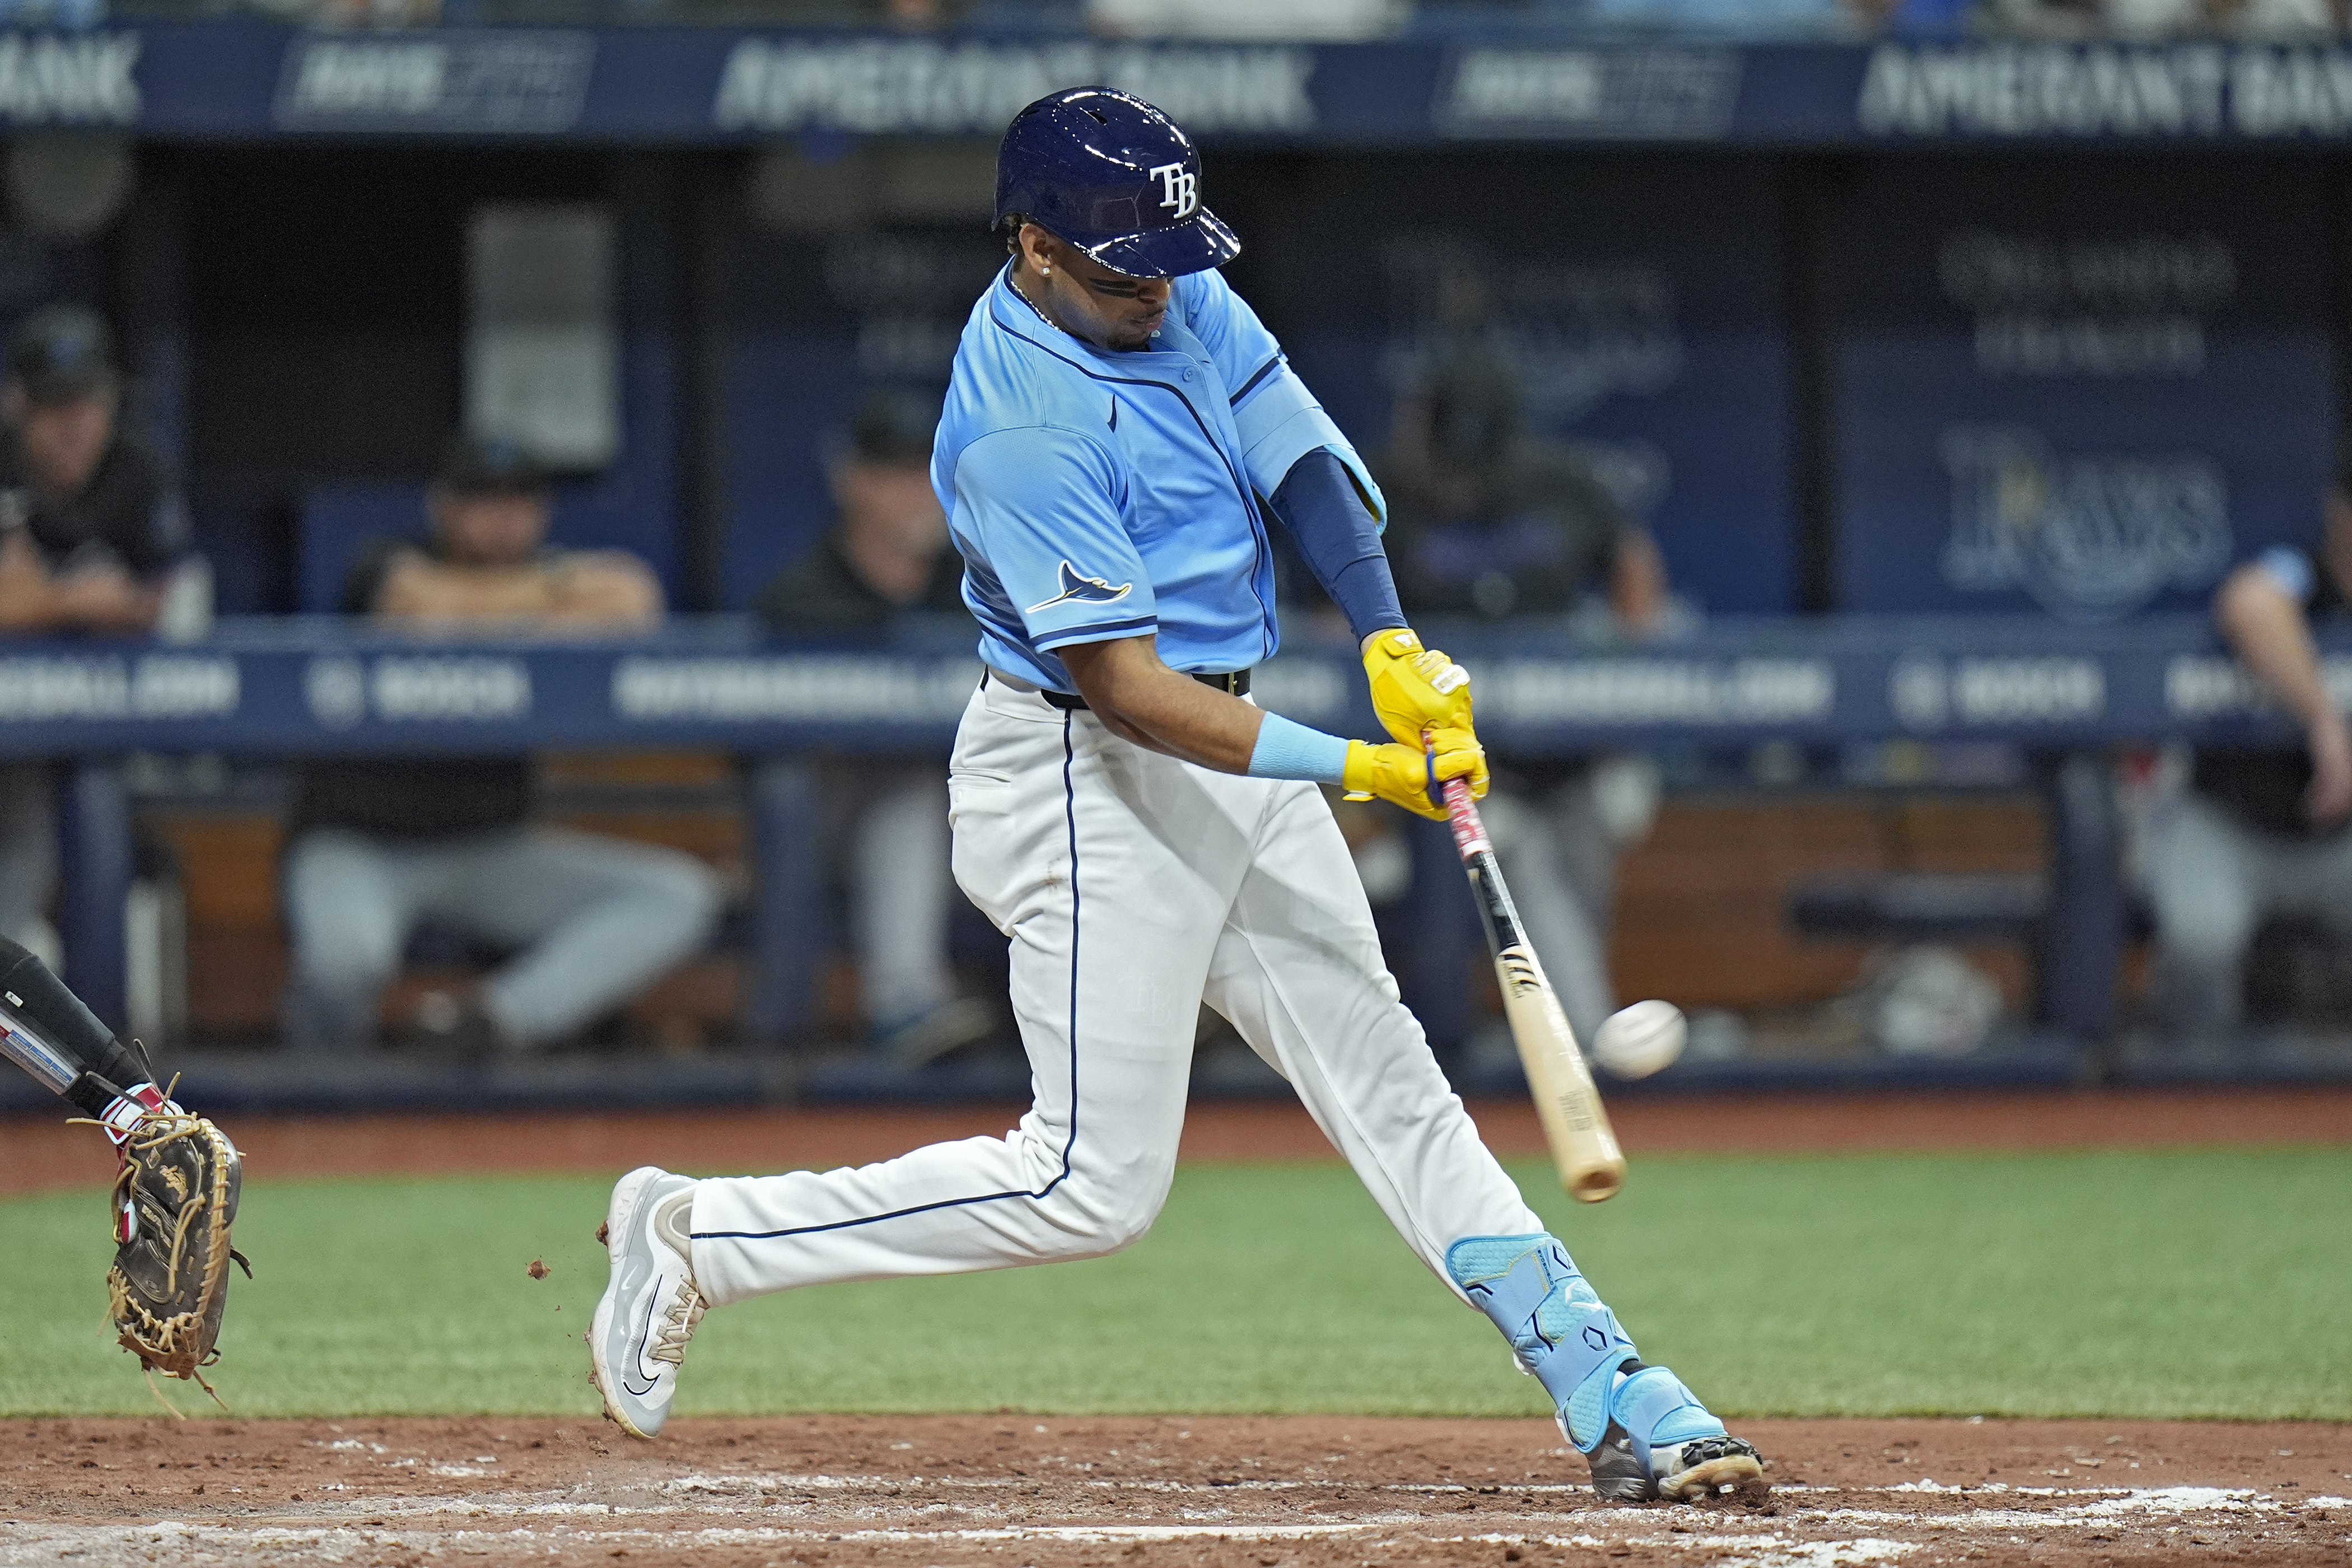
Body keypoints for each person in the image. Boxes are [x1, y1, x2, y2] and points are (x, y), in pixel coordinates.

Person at [590, 87, 1763, 1507]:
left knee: (1389, 1079)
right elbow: (1132, 691)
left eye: (1169, 261)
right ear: (1031, 246)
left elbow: (1308, 463)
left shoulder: (1166, 277)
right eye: (1120, 271)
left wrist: (1390, 641)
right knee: (1088, 1185)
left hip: (1233, 737)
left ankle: (1609, 1385)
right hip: (1089, 775)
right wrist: (1365, 768)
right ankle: (698, 1237)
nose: (1158, 290)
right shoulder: (1014, 427)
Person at [279, 435, 721, 1056]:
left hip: (490, 848)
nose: (502, 520)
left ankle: (491, 1020)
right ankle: (317, 1096)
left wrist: (497, 604)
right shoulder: (384, 560)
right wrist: (547, 603)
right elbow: (418, 604)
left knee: (677, 896)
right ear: (444, 507)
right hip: (361, 841)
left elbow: (632, 597)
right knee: (346, 961)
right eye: (482, 501)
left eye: (518, 503)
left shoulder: (549, 569)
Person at [1376, 347, 1670, 1049]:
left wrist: (1625, 671)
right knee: (1523, 867)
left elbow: (1631, 563)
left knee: (1575, 877)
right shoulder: (1387, 491)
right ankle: (1584, 1041)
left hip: (1571, 752)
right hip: (1456, 763)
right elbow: (1329, 617)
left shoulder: (1557, 483)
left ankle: (1579, 1038)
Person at [754, 388, 992, 1060]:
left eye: (930, 468)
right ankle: (906, 1002)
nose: (917, 491)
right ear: (850, 481)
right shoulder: (800, 593)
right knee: (908, 790)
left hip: (976, 827)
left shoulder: (983, 582)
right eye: (894, 472)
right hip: (820, 828)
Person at [0, 306, 189, 958]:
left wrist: (34, 597)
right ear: (17, 403)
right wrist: (76, 600)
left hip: (91, 717)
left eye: (87, 402)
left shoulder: (137, 471)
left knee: (91, 786)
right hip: (11, 723)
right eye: (54, 406)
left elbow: (160, 603)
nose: (74, 424)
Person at [2141, 469, 2352, 1042]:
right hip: (2226, 823)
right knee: (2203, 939)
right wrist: (2323, 720)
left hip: (2337, 844)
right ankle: (2192, 1092)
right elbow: (2250, 603)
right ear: (2338, 514)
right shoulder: (2300, 572)